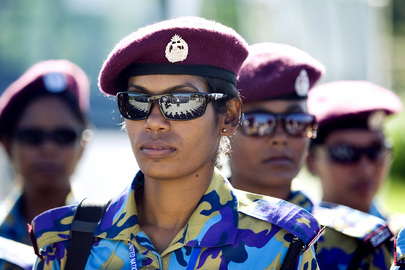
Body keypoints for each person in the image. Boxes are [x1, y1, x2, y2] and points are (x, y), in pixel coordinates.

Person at [29, 17, 321, 269]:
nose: (154, 121)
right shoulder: (67, 244)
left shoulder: (281, 247)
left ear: (229, 116)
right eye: (138, 101)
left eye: (181, 101)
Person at [229, 43, 395, 269]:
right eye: (259, 123)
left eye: (297, 123)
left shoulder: (357, 244)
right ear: (224, 127)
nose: (281, 138)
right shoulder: (177, 228)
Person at [306, 80, 402, 269]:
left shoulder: (399, 236)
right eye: (345, 153)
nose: (365, 168)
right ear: (311, 161)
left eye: (376, 150)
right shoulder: (300, 243)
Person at [0, 59, 91, 248]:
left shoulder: (111, 240)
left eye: (63, 136)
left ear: (83, 144)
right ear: (8, 146)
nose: (48, 149)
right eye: (32, 136)